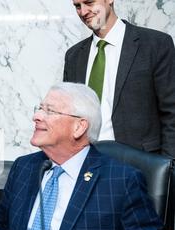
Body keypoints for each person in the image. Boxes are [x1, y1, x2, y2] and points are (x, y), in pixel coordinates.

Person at [0, 82, 173, 230]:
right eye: (39, 108)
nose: (37, 116)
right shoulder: (24, 167)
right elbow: (3, 228)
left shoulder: (121, 181)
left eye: (49, 111)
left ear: (79, 127)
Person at [63, 0, 175, 157]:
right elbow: (68, 116)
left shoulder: (155, 44)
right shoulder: (74, 56)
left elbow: (171, 112)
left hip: (140, 164)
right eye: (77, 6)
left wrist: (168, 169)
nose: (83, 11)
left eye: (89, 2)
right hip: (85, 162)